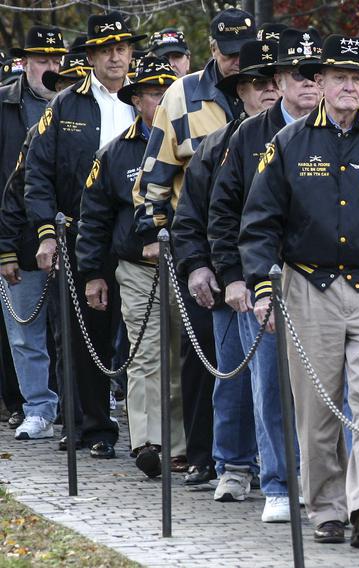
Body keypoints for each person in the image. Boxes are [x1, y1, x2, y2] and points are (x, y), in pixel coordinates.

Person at [240, 34, 359, 548]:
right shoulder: (289, 143)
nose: (349, 86)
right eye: (339, 77)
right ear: (320, 83)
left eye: (358, 78)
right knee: (318, 404)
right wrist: (263, 286)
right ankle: (326, 507)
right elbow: (259, 221)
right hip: (310, 284)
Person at [134, 7, 255, 485]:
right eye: (227, 55)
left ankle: (254, 454)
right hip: (199, 240)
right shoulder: (181, 96)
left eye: (241, 56)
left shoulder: (264, 86)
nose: (234, 64)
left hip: (258, 241)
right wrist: (156, 234)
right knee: (205, 351)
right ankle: (205, 454)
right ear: (212, 51)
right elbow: (155, 173)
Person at [207, 28, 323, 522]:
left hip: (327, 279)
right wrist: (234, 276)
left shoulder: (337, 126)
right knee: (271, 385)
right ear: (279, 78)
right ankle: (278, 481)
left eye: (318, 73)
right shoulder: (250, 135)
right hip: (266, 276)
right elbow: (222, 212)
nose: (310, 84)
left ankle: (324, 481)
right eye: (300, 74)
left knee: (324, 388)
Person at [25, 12, 147, 458]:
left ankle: (152, 434)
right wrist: (47, 233)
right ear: (92, 55)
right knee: (82, 334)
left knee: (142, 336)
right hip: (80, 232)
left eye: (123, 47)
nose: (116, 56)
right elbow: (36, 174)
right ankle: (92, 426)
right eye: (107, 49)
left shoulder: (149, 100)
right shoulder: (66, 105)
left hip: (140, 235)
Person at [172, 38, 280, 504]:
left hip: (292, 279)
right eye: (256, 83)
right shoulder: (217, 146)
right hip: (231, 278)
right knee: (233, 379)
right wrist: (198, 267)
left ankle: (291, 468)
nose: (268, 91)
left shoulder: (311, 139)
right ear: (240, 92)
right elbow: (191, 216)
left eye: (274, 80)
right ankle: (233, 465)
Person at [75, 54, 186, 475]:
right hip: (136, 267)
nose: (162, 101)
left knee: (180, 355)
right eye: (155, 94)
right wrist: (92, 275)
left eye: (168, 93)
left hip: (181, 264)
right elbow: (94, 219)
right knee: (143, 354)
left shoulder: (190, 143)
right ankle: (148, 442)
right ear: (137, 99)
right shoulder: (115, 152)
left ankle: (179, 444)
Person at [0, 25, 66, 438]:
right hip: (18, 232)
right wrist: (3, 246)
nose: (51, 67)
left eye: (57, 59)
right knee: (25, 331)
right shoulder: (5, 105)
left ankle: (76, 406)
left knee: (72, 332)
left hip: (70, 235)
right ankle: (37, 406)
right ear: (25, 62)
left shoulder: (76, 106)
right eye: (42, 59)